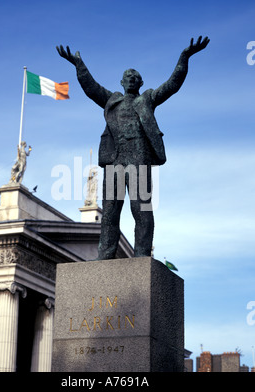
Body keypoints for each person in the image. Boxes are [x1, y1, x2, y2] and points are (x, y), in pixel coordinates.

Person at [57, 36, 209, 260]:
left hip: (139, 160)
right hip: (115, 160)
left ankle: (141, 255)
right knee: (109, 213)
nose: (131, 79)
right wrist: (79, 65)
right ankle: (105, 256)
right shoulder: (112, 100)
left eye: (135, 77)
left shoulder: (147, 99)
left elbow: (172, 84)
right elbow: (90, 87)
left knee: (141, 210)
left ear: (140, 83)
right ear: (121, 82)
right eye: (127, 77)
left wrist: (184, 57)